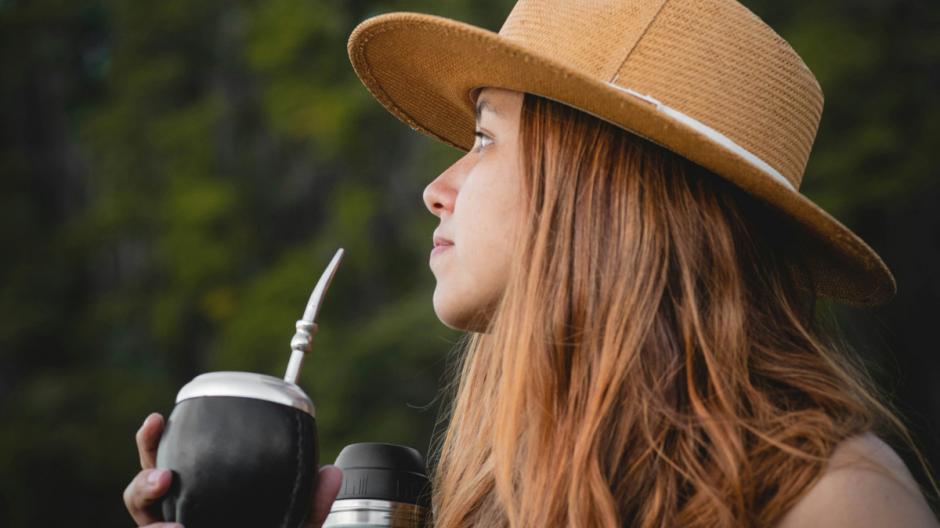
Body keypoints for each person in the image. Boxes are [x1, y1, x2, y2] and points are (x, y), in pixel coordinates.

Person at [125, 0, 940, 526]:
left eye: (482, 137)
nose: (436, 190)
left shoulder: (835, 503)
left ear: (606, 186)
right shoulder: (506, 500)